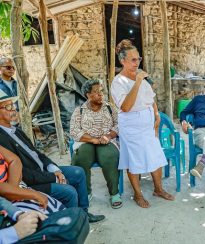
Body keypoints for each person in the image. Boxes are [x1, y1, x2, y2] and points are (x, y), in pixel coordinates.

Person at [0, 91, 105, 222]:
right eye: (8, 107)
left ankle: (83, 214)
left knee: (78, 172)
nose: (13, 110)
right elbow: (23, 173)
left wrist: (54, 169)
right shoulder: (1, 139)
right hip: (31, 183)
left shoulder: (16, 130)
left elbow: (37, 153)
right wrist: (53, 177)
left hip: (42, 171)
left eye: (13, 105)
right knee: (69, 191)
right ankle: (72, 223)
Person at [111, 39, 174, 208]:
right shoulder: (118, 82)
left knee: (155, 156)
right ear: (122, 61)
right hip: (131, 126)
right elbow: (125, 106)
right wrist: (137, 81)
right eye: (133, 59)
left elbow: (150, 98)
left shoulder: (143, 79)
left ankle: (158, 189)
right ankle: (137, 194)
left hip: (147, 124)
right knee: (134, 160)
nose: (136, 62)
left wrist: (156, 114)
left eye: (138, 59)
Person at [70, 79, 122, 208]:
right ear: (88, 94)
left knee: (110, 156)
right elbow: (74, 131)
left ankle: (114, 193)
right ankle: (85, 192)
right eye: (96, 92)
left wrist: (109, 135)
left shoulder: (109, 107)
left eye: (101, 91)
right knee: (81, 157)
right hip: (86, 141)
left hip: (106, 140)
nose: (100, 94)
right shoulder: (79, 111)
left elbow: (119, 124)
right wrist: (92, 139)